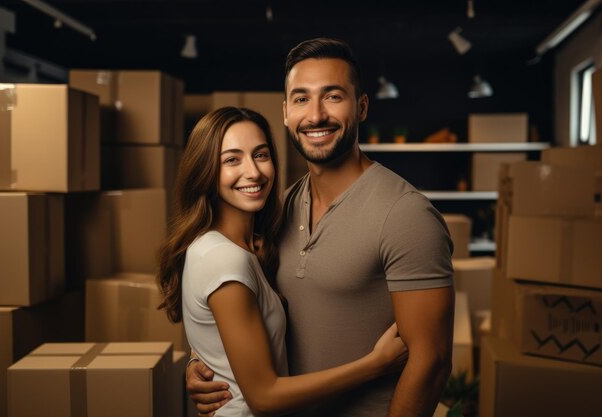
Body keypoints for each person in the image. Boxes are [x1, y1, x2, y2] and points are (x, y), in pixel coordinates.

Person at [187, 38, 455, 417]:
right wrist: (203, 361)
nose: (315, 115)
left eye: (332, 96)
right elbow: (243, 307)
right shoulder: (280, 207)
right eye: (301, 98)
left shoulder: (405, 215)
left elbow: (432, 362)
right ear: (285, 112)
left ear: (361, 106)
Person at [156, 106, 408, 417]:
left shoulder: (243, 245)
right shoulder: (225, 259)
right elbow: (263, 397)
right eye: (232, 160)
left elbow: (215, 334)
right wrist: (375, 364)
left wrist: (201, 359)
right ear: (205, 171)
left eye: (261, 155)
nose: (254, 172)